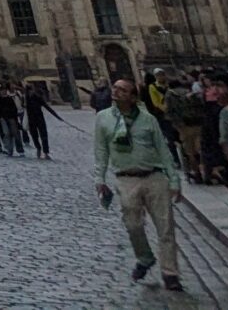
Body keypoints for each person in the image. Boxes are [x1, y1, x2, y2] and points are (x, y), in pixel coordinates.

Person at [95, 74, 186, 293]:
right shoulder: (103, 118)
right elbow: (101, 150)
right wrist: (100, 178)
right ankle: (145, 257)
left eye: (122, 90)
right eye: (115, 87)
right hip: (126, 178)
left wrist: (174, 180)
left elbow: (163, 150)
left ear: (133, 97)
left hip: (154, 176)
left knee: (165, 228)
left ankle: (170, 273)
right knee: (133, 225)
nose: (116, 91)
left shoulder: (148, 119)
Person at [24, 81, 53, 159]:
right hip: (31, 119)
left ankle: (46, 152)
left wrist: (56, 115)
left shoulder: (37, 97)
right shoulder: (26, 97)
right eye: (30, 89)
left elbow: (45, 105)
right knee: (34, 136)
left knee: (44, 135)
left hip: (39, 118)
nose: (31, 91)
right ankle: (38, 148)